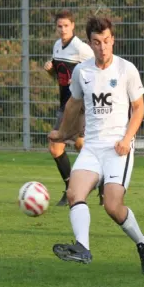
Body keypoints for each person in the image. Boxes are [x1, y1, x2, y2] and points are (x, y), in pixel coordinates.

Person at [48, 17, 144, 275]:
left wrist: (127, 139)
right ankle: (82, 248)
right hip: (92, 147)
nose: (103, 47)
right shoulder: (82, 71)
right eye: (97, 42)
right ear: (90, 43)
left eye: (106, 41)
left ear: (112, 40)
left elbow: (139, 108)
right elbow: (73, 105)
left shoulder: (126, 69)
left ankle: (143, 243)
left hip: (118, 148)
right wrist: (63, 133)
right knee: (74, 193)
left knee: (112, 206)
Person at [44, 10, 100, 206]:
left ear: (73, 26)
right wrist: (51, 71)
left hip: (81, 104)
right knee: (55, 146)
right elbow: (60, 78)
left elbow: (97, 69)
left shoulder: (81, 48)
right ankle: (70, 188)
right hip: (64, 105)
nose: (62, 29)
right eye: (59, 26)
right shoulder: (57, 47)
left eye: (66, 25)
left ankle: (100, 183)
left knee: (81, 145)